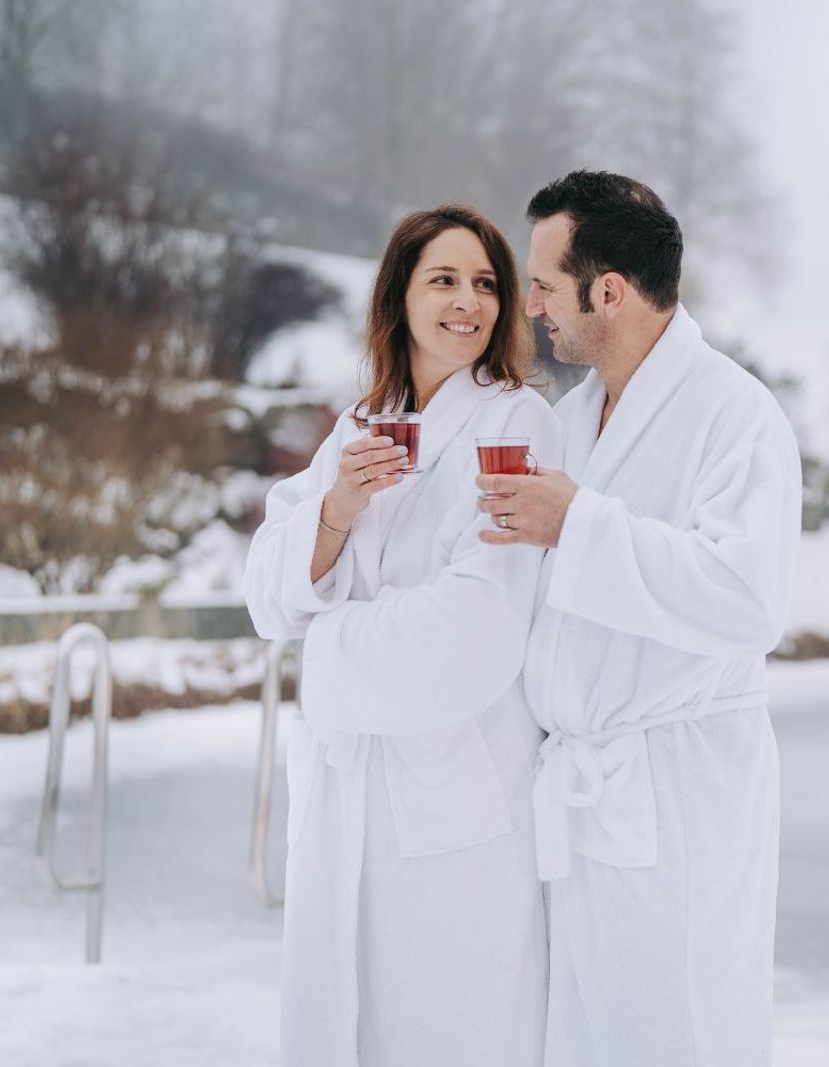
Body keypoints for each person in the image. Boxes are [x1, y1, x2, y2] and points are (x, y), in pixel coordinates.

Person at [475, 171, 803, 1066]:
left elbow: (749, 598)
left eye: (544, 281)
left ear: (607, 291)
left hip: (678, 796)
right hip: (582, 799)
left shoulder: (735, 415)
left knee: (679, 1033)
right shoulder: (573, 416)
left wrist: (578, 526)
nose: (530, 302)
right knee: (587, 1040)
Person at [244, 203, 561, 1066]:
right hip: (349, 794)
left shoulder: (514, 424)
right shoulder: (363, 425)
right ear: (399, 294)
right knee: (345, 1022)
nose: (470, 302)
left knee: (448, 1026)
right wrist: (338, 509)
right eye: (445, 279)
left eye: (488, 283)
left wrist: (330, 648)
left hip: (454, 789)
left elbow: (478, 626)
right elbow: (268, 593)